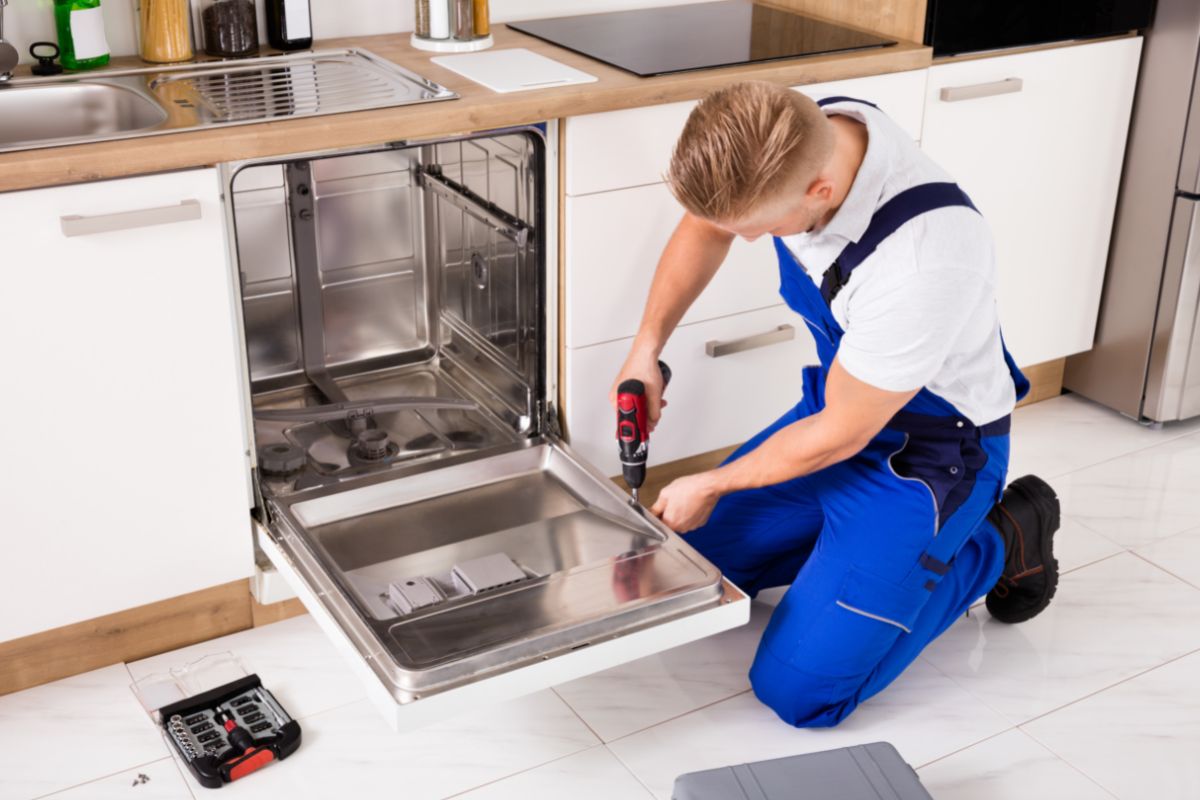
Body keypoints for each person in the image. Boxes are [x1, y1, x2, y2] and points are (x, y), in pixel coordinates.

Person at [609, 81, 1061, 728]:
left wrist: (717, 480)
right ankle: (854, 556)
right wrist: (644, 350)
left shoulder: (926, 257)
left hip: (931, 459)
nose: (743, 239)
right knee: (688, 573)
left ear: (820, 193)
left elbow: (842, 434)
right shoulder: (793, 131)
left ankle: (1001, 538)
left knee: (799, 694)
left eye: (756, 230)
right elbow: (707, 224)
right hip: (839, 408)